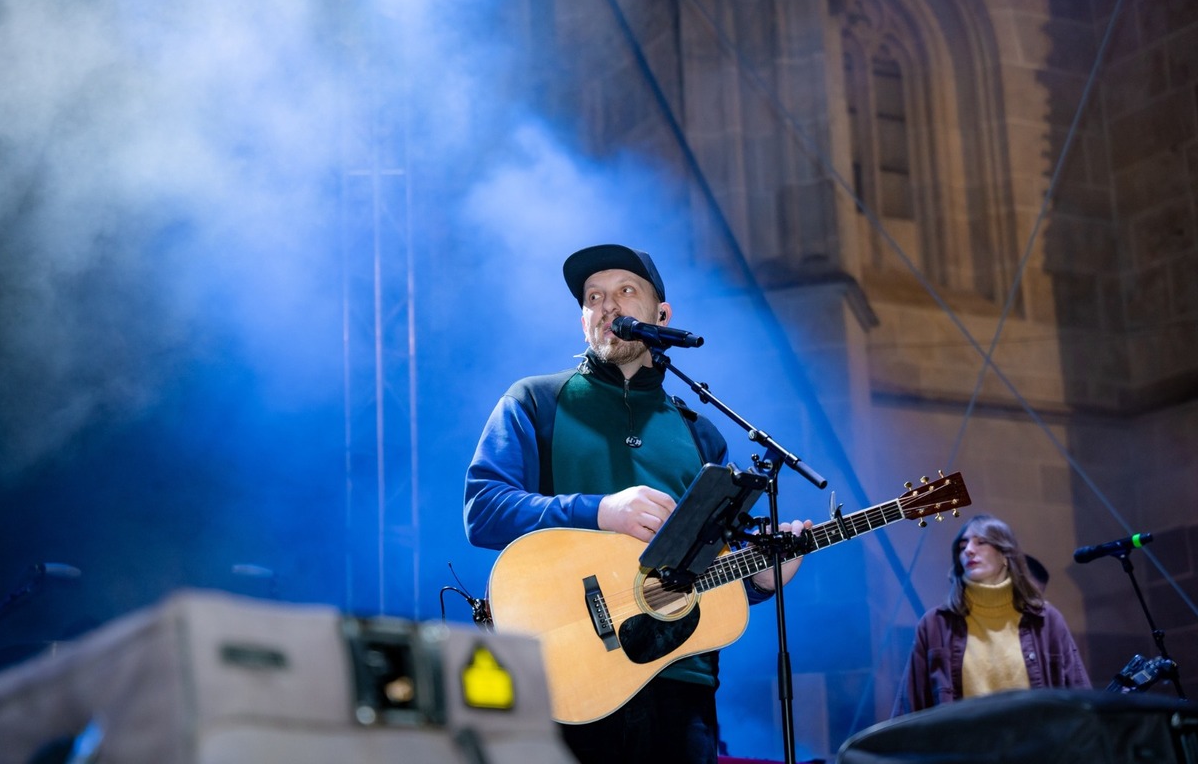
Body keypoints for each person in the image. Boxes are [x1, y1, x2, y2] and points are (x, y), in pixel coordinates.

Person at [464, 243, 809, 764]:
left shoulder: (704, 436)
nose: (608, 306)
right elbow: (483, 510)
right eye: (593, 297)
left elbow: (703, 570)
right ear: (584, 321)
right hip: (567, 676)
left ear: (661, 316)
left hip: (680, 681)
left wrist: (759, 582)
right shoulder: (535, 400)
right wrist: (601, 512)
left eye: (626, 291)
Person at [892, 513, 1091, 716]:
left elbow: (1079, 697)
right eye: (962, 547)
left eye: (981, 542)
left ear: (1005, 554)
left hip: (1036, 744)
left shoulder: (1045, 620)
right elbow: (909, 709)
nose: (969, 550)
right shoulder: (935, 624)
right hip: (962, 746)